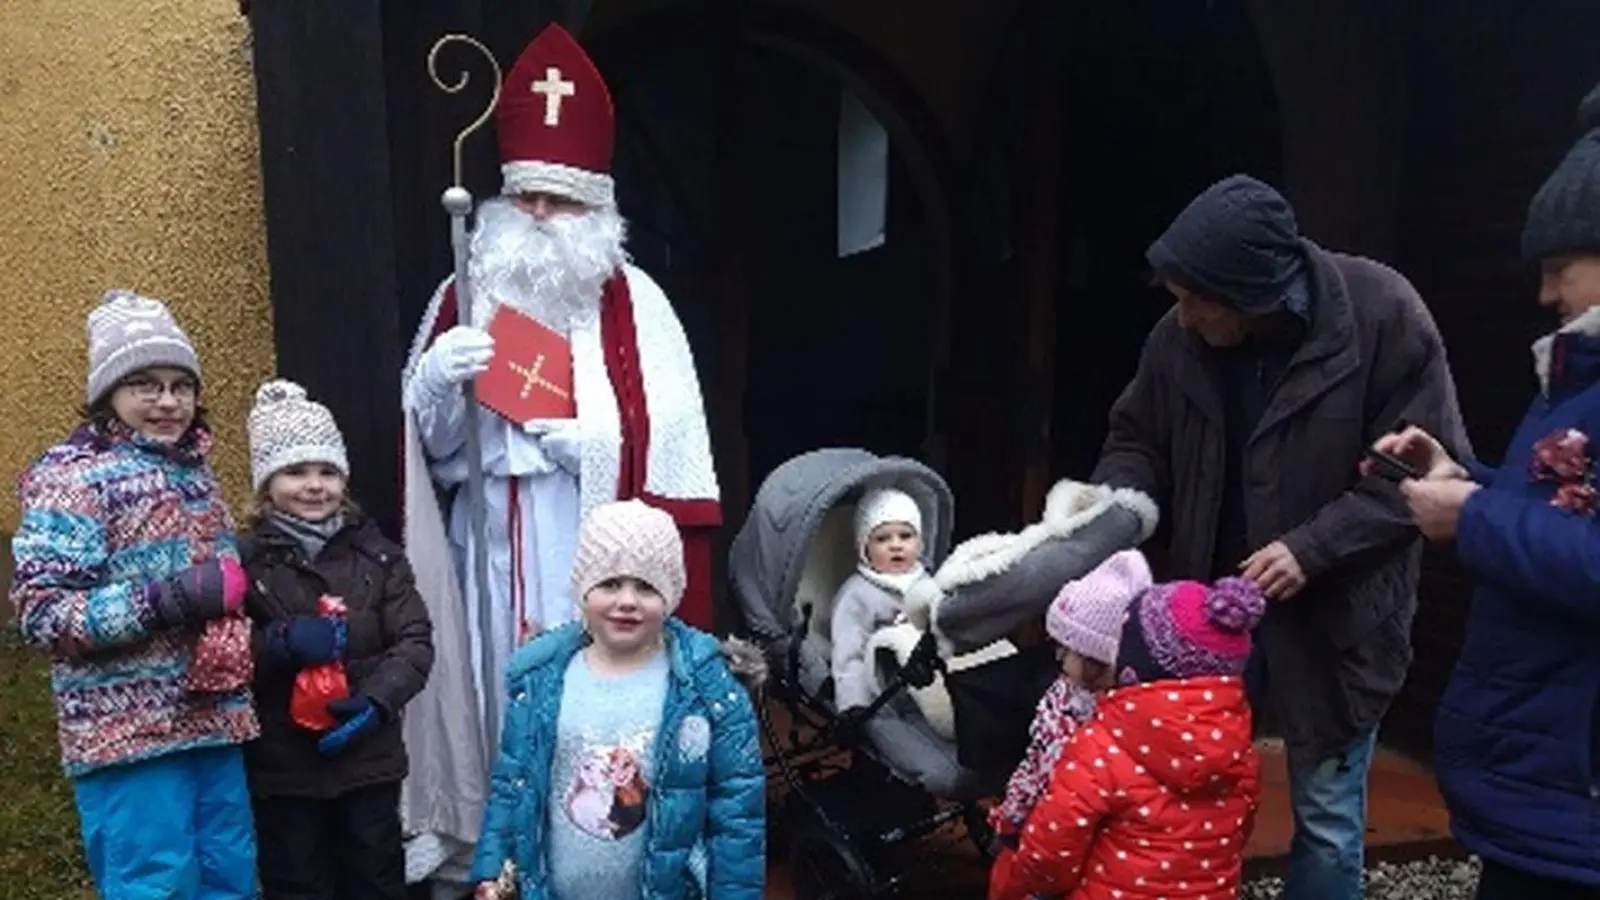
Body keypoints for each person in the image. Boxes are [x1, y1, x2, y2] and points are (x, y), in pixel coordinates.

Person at [399, 23, 721, 886]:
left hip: (580, 530)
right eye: (529, 196)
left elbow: (679, 436)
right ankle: (489, 845)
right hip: (484, 533)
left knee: (583, 696)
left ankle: (589, 847)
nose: (541, 216)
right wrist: (433, 382)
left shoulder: (638, 302)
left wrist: (599, 447)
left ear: (598, 209)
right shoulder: (462, 288)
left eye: (563, 200)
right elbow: (425, 460)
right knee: (487, 681)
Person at [1090, 173, 1470, 900]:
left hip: (1337, 622)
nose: (1183, 316)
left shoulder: (1383, 315)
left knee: (1327, 819)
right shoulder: (1179, 336)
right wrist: (1116, 508)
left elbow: (1420, 480)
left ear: (1253, 291)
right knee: (1184, 806)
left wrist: (1313, 548)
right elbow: (1136, 436)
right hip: (1206, 617)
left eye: (1197, 300)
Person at [1371, 82, 1600, 899]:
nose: (1545, 296)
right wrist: (1465, 480)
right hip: (1544, 783)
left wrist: (1472, 519)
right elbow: (1559, 513)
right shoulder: (1576, 381)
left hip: (1576, 795)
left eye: (1559, 269)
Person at [9, 289, 259, 898]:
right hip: (127, 735)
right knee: (156, 882)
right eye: (145, 383)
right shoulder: (70, 477)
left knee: (232, 874)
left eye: (181, 384)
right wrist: (162, 600)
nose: (168, 401)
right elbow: (44, 614)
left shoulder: (196, 472)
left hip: (212, 722)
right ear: (108, 393)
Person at [470, 500, 766, 900]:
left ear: (671, 595)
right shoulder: (541, 681)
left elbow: (738, 814)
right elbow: (511, 787)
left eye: (646, 587)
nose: (627, 601)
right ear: (583, 590)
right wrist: (491, 870)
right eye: (609, 584)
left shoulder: (708, 690)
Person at [239, 379, 435, 899]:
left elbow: (414, 641)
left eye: (327, 471)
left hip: (368, 762)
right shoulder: (246, 563)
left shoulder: (380, 557)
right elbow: (226, 654)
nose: (313, 485)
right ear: (266, 484)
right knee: (297, 881)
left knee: (375, 878)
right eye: (295, 471)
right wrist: (275, 643)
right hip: (283, 770)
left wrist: (377, 700)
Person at [987, 576, 1265, 900]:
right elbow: (1238, 834)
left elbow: (1049, 852)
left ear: (1133, 663)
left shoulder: (1101, 745)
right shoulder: (1239, 751)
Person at [988, 549, 1147, 849]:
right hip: (1045, 822)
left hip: (1093, 838)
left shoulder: (1126, 716)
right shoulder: (1060, 698)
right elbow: (1035, 759)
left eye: (1067, 648)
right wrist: (1013, 814)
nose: (1058, 656)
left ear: (1098, 659)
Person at [829, 487, 928, 713]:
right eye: (882, 538)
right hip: (884, 689)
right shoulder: (857, 594)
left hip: (927, 677)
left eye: (906, 536)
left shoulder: (927, 581)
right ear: (865, 547)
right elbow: (849, 651)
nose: (896, 545)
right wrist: (854, 702)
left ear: (920, 542)